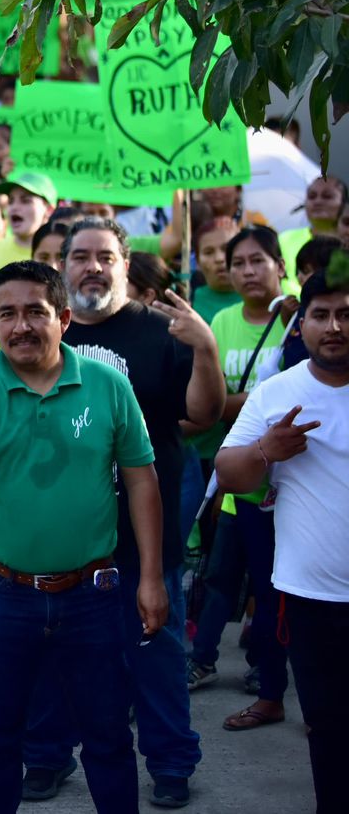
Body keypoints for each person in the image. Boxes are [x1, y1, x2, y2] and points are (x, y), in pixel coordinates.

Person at [0, 260, 169, 814]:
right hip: (2, 596)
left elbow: (142, 480)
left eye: (35, 312)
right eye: (7, 314)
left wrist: (150, 578)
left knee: (109, 740)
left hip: (93, 594)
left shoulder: (107, 383)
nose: (20, 326)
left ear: (64, 318)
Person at [20, 217, 223, 808]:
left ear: (124, 264)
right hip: (59, 526)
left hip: (142, 521)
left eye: (103, 257)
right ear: (61, 266)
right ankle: (47, 756)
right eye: (78, 256)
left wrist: (205, 347)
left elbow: (204, 415)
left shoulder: (163, 331)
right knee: (50, 643)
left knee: (153, 642)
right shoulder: (40, 334)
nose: (90, 267)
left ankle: (170, 762)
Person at [215, 259, 349, 814]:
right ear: (303, 326)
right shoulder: (277, 392)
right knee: (328, 725)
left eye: (346, 315)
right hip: (313, 594)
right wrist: (266, 450)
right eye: (320, 315)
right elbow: (228, 472)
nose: (334, 327)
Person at [195, 226, 293, 734]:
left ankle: (269, 676)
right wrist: (251, 405)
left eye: (259, 260)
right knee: (224, 579)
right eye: (239, 264)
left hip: (292, 483)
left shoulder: (299, 319)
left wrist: (240, 404)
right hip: (235, 481)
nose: (249, 271)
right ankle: (219, 661)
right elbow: (211, 405)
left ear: (280, 264)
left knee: (281, 590)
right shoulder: (222, 320)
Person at [0, 171, 56, 270]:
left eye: (25, 201)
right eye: (11, 201)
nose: (14, 207)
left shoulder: (58, 254)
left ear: (48, 209)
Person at [277, 175, 346, 267]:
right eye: (311, 196)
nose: (317, 201)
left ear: (344, 203)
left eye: (327, 196)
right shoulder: (284, 240)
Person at [191, 216, 244, 322]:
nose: (219, 259)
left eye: (226, 249)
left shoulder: (264, 300)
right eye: (208, 252)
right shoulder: (188, 303)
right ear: (197, 261)